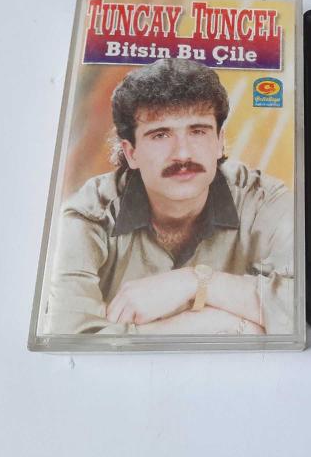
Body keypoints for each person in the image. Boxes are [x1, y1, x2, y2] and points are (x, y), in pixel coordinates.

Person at [43, 58, 294, 335]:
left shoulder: (263, 200)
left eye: (198, 131)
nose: (183, 153)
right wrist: (211, 325)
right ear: (131, 153)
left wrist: (198, 283)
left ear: (220, 142)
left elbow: (305, 305)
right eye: (160, 135)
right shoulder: (90, 213)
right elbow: (67, 333)